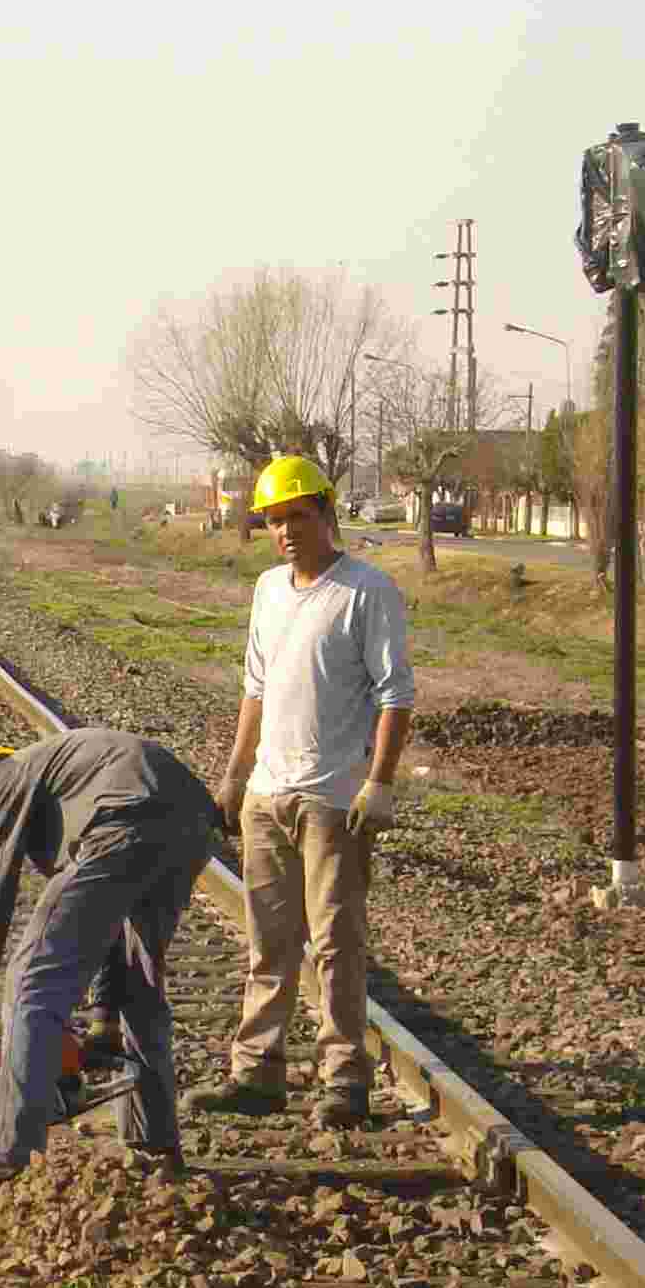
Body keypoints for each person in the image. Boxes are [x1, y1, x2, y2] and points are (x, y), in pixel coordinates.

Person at [193, 455, 414, 1130]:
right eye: (273, 520)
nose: (285, 530)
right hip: (267, 794)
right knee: (268, 942)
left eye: (297, 515)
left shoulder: (366, 591)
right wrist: (235, 774)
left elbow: (395, 693)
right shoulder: (266, 590)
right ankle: (257, 1072)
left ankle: (343, 1077)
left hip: (331, 801)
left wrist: (378, 782)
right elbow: (255, 688)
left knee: (336, 943)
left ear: (326, 513)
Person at [0, 730, 222, 1192]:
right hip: (192, 821)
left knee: (30, 979)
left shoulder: (3, 778)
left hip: (126, 821)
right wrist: (103, 1016)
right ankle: (154, 1143)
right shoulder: (66, 787)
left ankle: (6, 1155)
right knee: (140, 985)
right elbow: (106, 924)